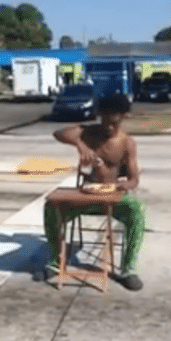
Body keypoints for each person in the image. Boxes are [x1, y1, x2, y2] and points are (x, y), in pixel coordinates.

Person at [42, 93, 146, 291]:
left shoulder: (126, 143)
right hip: (85, 195)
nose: (108, 126)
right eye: (105, 120)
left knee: (136, 211)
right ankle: (55, 262)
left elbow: (134, 180)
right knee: (51, 207)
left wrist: (124, 186)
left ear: (123, 117)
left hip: (112, 198)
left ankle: (128, 269)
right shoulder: (89, 132)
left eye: (114, 123)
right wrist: (80, 145)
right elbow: (59, 134)